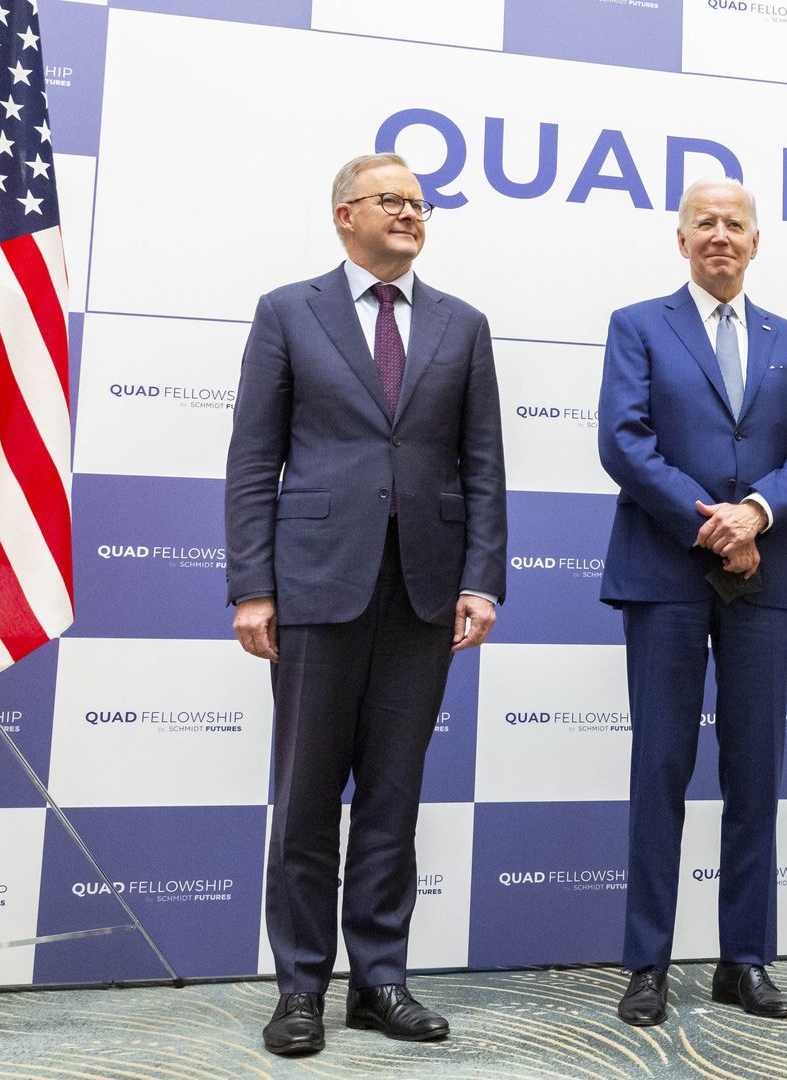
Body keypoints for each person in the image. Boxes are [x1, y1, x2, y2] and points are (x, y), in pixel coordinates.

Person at [225, 153, 506, 1055]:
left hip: (423, 590)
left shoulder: (463, 325)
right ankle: (300, 988)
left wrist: (481, 577)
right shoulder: (287, 311)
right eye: (394, 201)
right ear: (345, 214)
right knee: (307, 797)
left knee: (393, 796)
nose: (413, 215)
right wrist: (253, 587)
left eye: (421, 205)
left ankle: (379, 980)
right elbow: (251, 459)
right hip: (314, 584)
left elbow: (484, 468)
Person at [597, 177, 787, 1026]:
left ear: (757, 241)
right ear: (682, 238)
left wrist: (757, 513)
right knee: (659, 769)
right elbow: (623, 441)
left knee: (756, 773)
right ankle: (648, 965)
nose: (721, 236)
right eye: (706, 223)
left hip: (764, 574)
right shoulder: (638, 326)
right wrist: (711, 522)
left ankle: (745, 961)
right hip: (664, 571)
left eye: (736, 224)